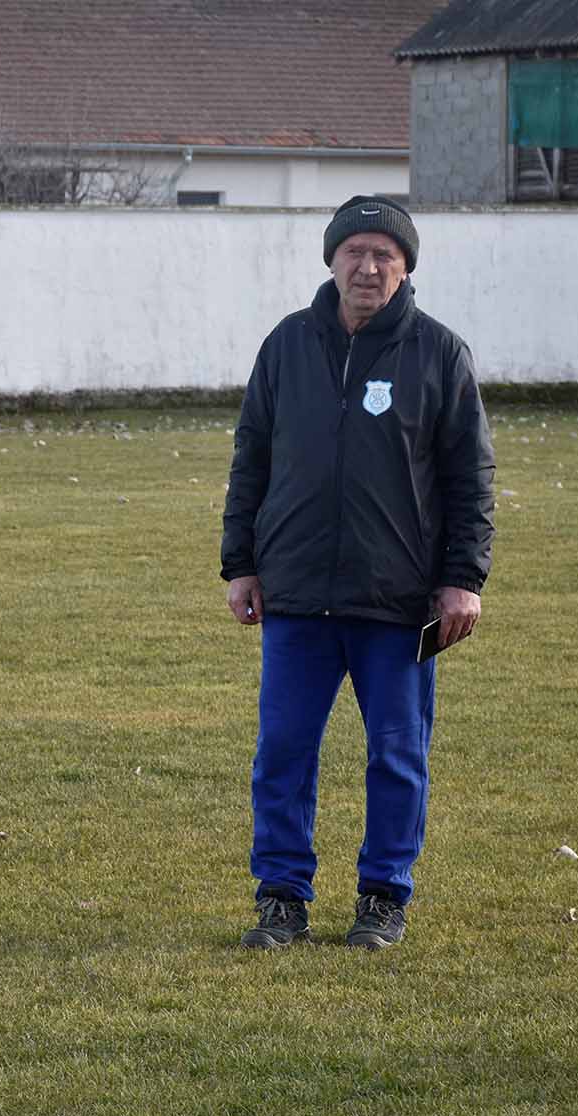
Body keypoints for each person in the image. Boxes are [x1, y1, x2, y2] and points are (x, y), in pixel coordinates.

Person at [220, 195, 494, 952]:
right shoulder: (287, 345)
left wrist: (463, 580)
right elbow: (252, 456)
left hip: (397, 600)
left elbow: (470, 478)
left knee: (397, 757)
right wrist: (241, 564)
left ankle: (383, 896)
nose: (367, 267)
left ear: (405, 268)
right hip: (298, 593)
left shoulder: (440, 353)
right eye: (354, 252)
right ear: (332, 260)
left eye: (384, 255)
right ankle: (282, 899)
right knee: (282, 753)